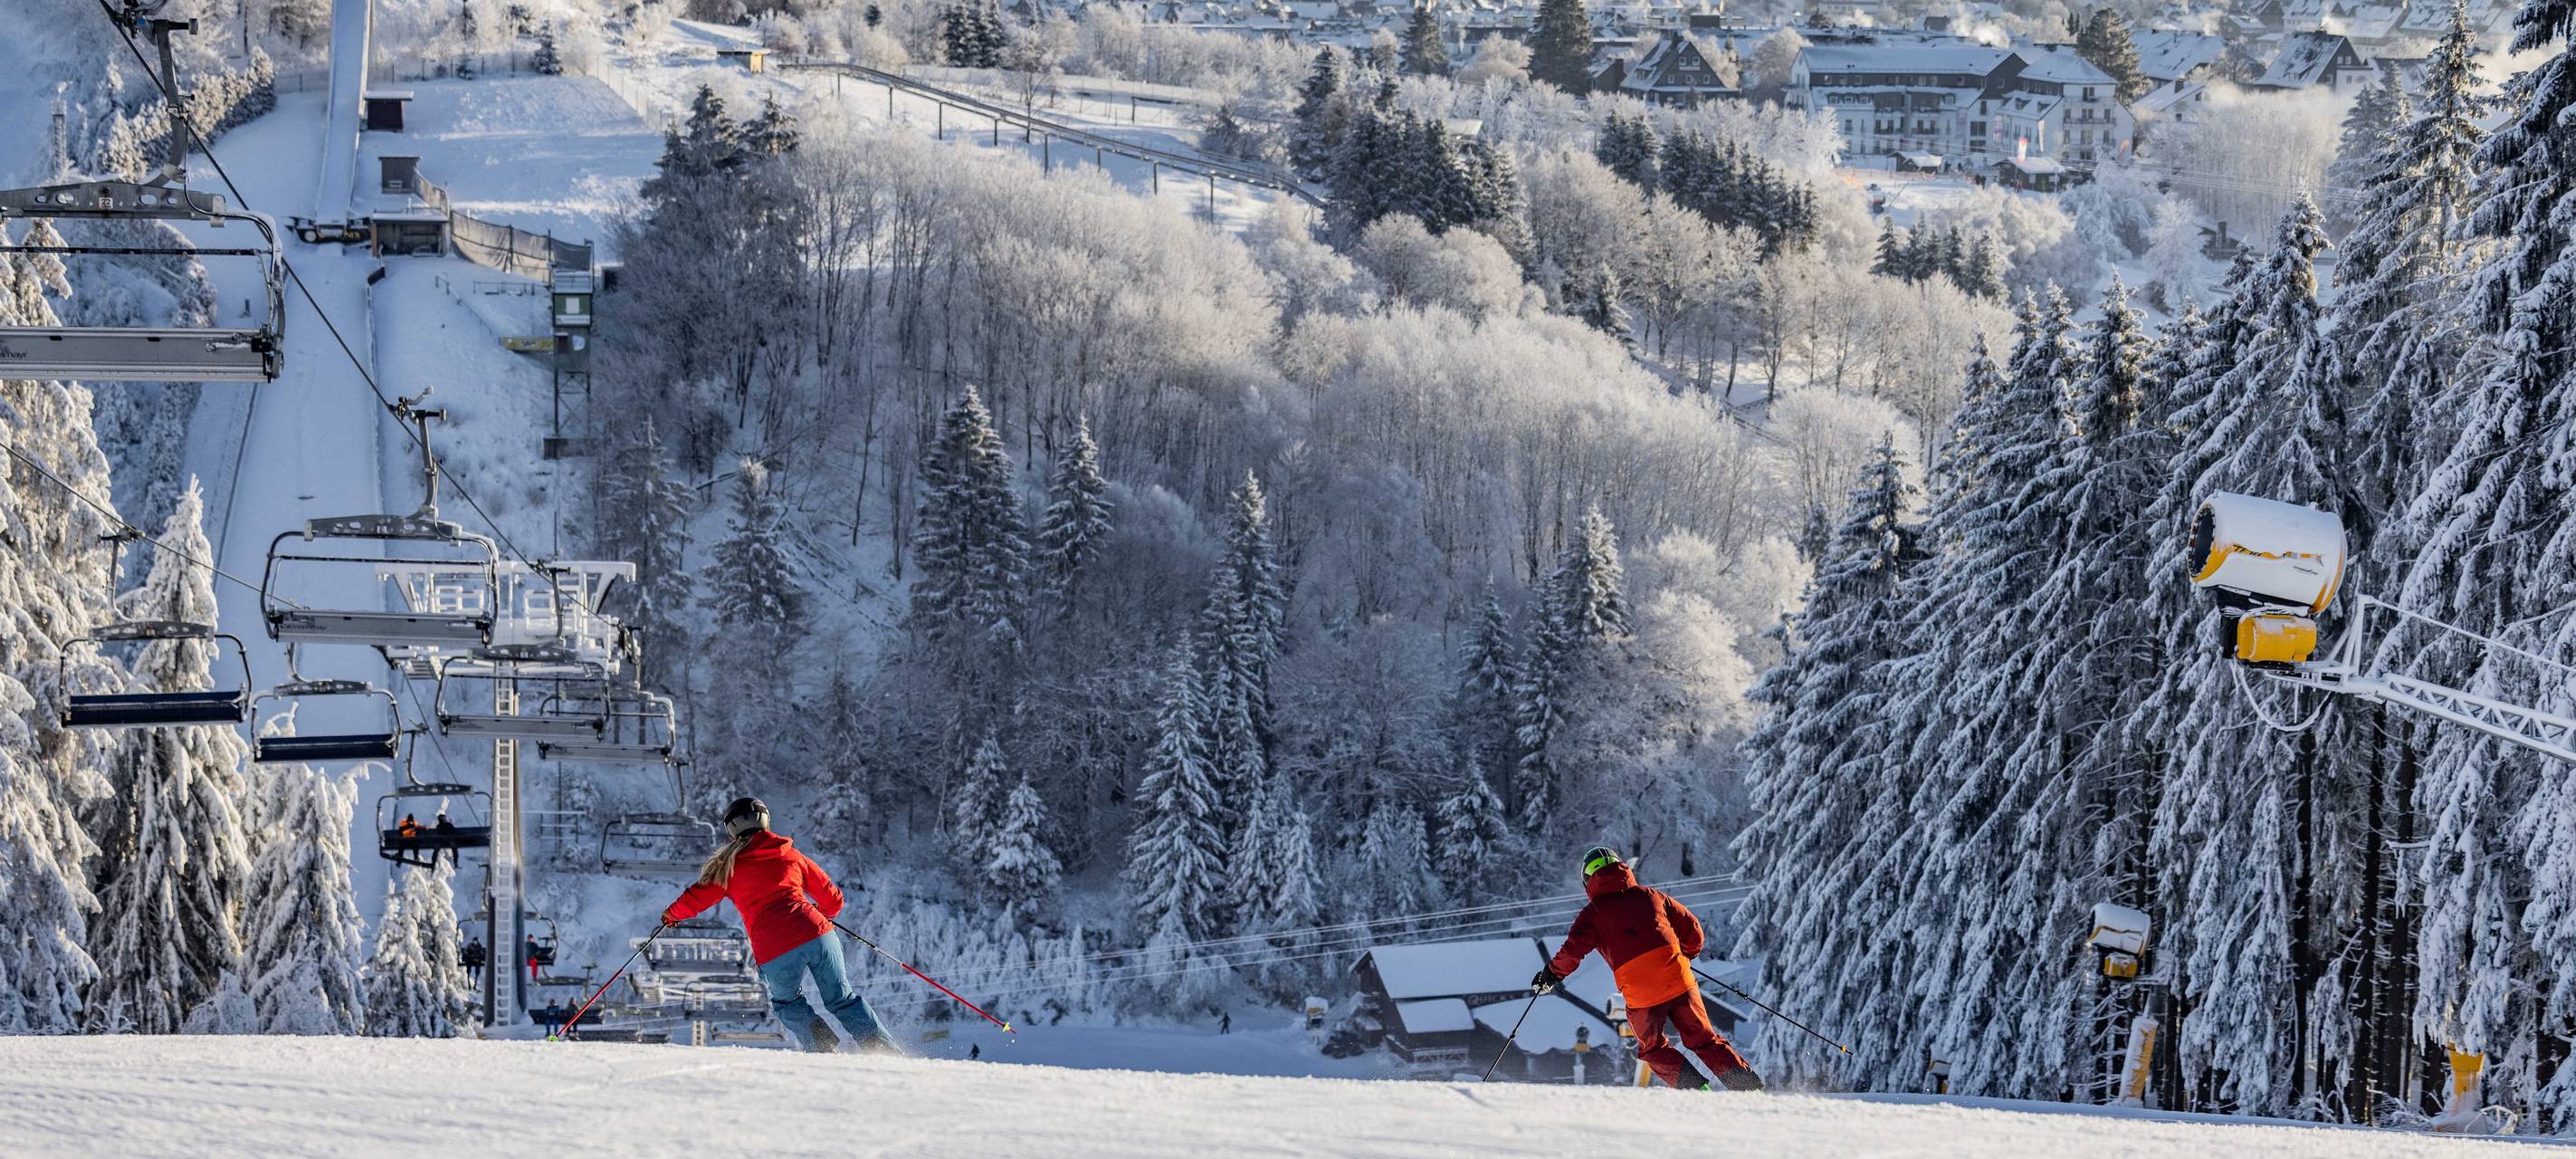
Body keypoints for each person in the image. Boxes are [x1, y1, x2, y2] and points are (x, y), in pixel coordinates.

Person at [661, 797, 895, 1055]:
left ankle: (823, 1049)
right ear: (766, 820)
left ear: (731, 829)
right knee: (842, 999)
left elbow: (698, 896)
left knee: (788, 1003)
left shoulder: (729, 868)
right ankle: (884, 1050)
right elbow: (832, 898)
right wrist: (819, 916)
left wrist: (672, 915)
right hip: (817, 933)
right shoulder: (791, 854)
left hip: (775, 947)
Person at [1531, 847, 1764, 1092]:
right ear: (1621, 868)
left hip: (1642, 993)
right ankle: (1750, 1090)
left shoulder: (1592, 915)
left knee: (1653, 1048)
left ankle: (1698, 1092)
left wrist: (1551, 975)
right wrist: (1687, 954)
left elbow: (1572, 951)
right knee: (1704, 1040)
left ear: (1588, 881)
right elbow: (1692, 928)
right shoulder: (1651, 895)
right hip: (1678, 978)